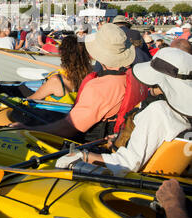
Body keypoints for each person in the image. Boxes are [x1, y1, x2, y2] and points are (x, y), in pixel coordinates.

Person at [56, 47, 192, 175]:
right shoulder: (180, 115)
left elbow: (127, 164)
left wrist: (84, 156)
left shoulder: (158, 111)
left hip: (128, 179)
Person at [11, 23, 141, 142]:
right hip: (115, 136)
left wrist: (28, 129)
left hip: (88, 143)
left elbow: (69, 127)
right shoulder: (132, 77)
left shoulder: (100, 87)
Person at [26, 35, 93, 104]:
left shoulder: (56, 80)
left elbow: (30, 99)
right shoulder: (89, 74)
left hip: (54, 113)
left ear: (63, 56)